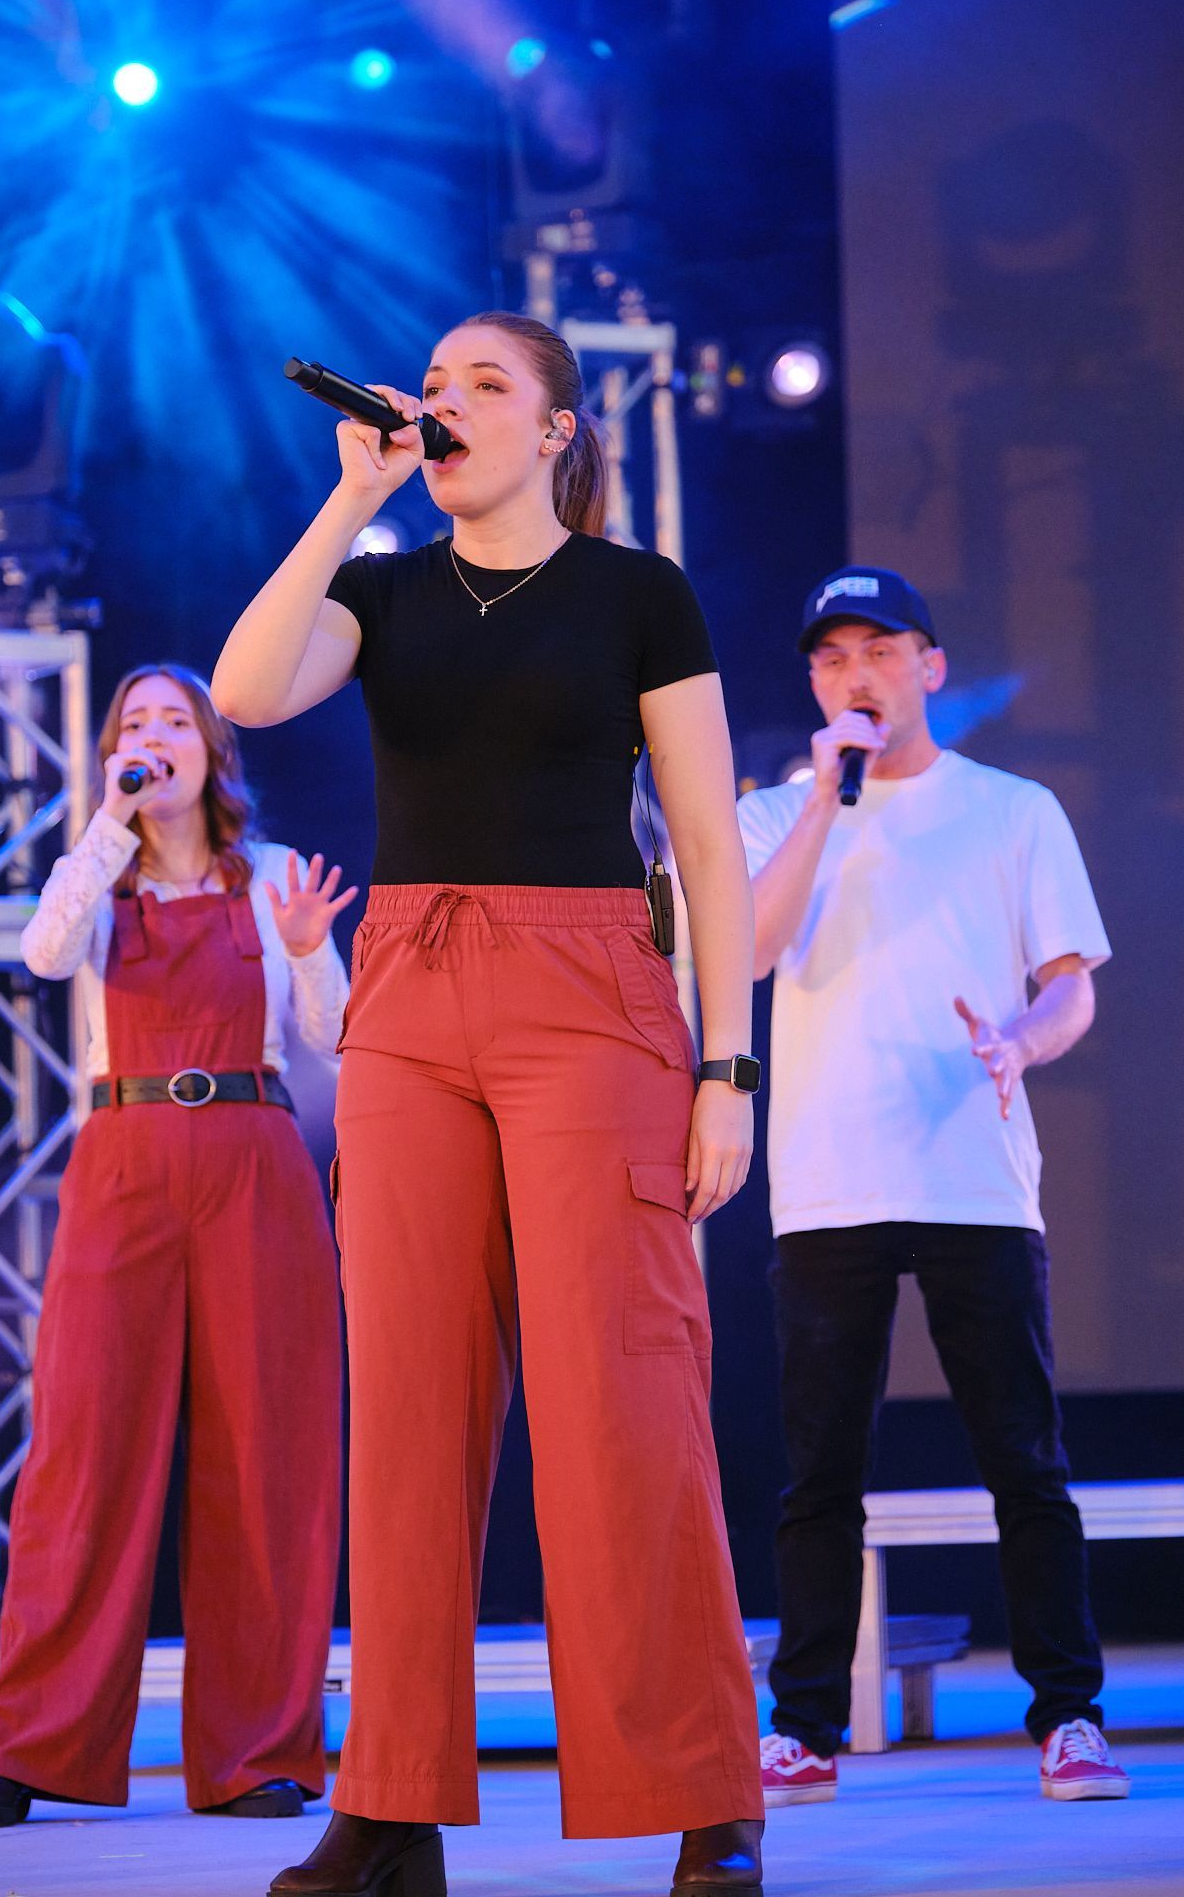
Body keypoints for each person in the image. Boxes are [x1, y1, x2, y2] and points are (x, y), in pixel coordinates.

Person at [213, 312, 767, 1897]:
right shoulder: (379, 590)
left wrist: (727, 1067)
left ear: (556, 430)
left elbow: (711, 847)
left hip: (591, 985)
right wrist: (346, 498)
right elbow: (249, 692)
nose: (445, 404)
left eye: (482, 387)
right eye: (433, 386)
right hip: (411, 989)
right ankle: (385, 1808)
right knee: (403, 1406)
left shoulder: (635, 594)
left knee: (622, 1400)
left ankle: (699, 1794)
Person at [737, 566, 1129, 1807]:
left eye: (882, 650)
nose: (859, 674)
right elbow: (748, 949)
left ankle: (1067, 1714)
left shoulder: (1014, 809)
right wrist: (820, 806)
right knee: (819, 1470)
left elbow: (1074, 981)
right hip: (827, 1175)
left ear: (931, 665)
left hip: (975, 1174)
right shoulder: (773, 813)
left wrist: (1020, 1038)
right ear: (814, 681)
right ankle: (802, 1725)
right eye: (834, 656)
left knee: (1024, 1457)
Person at [0, 664, 352, 1827]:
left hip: (252, 1150)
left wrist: (314, 947)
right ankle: (27, 1744)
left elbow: (331, 1031)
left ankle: (259, 1751)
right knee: (82, 1447)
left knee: (269, 1450)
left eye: (177, 721)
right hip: (123, 1148)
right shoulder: (99, 864)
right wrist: (110, 820)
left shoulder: (273, 876)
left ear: (214, 748)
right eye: (136, 724)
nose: (156, 737)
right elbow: (41, 949)